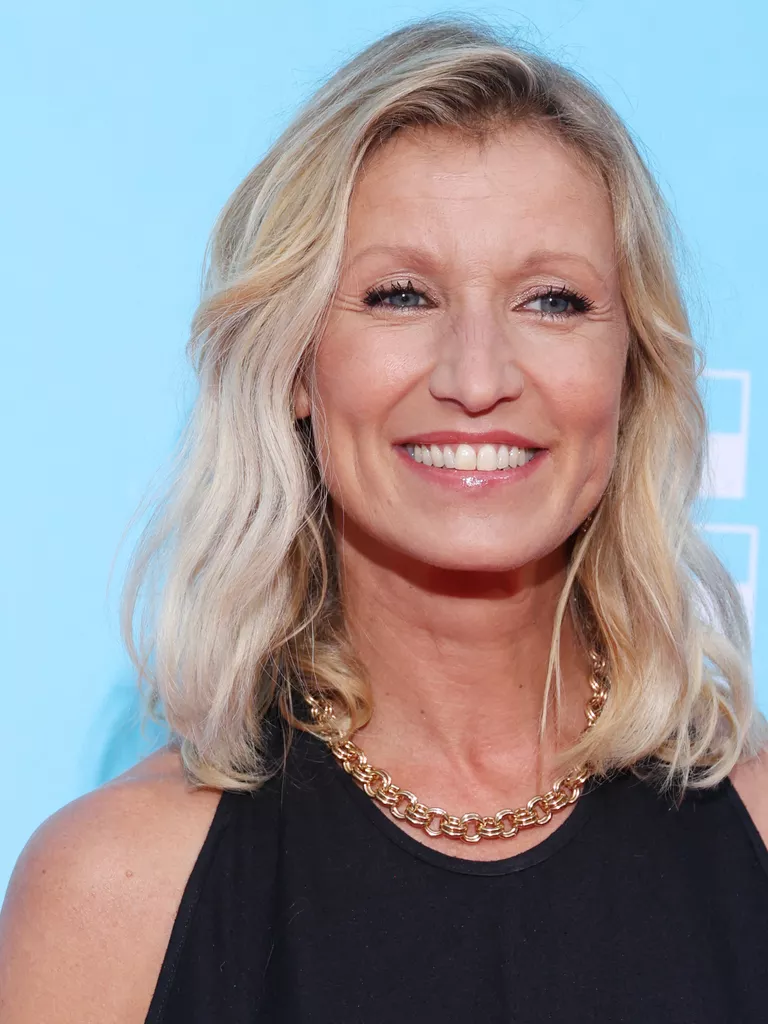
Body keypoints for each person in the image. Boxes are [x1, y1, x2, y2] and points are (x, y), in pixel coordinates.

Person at [2, 13, 768, 1023]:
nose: (478, 378)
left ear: (631, 373)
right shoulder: (113, 894)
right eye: (402, 295)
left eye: (552, 301)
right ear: (296, 366)